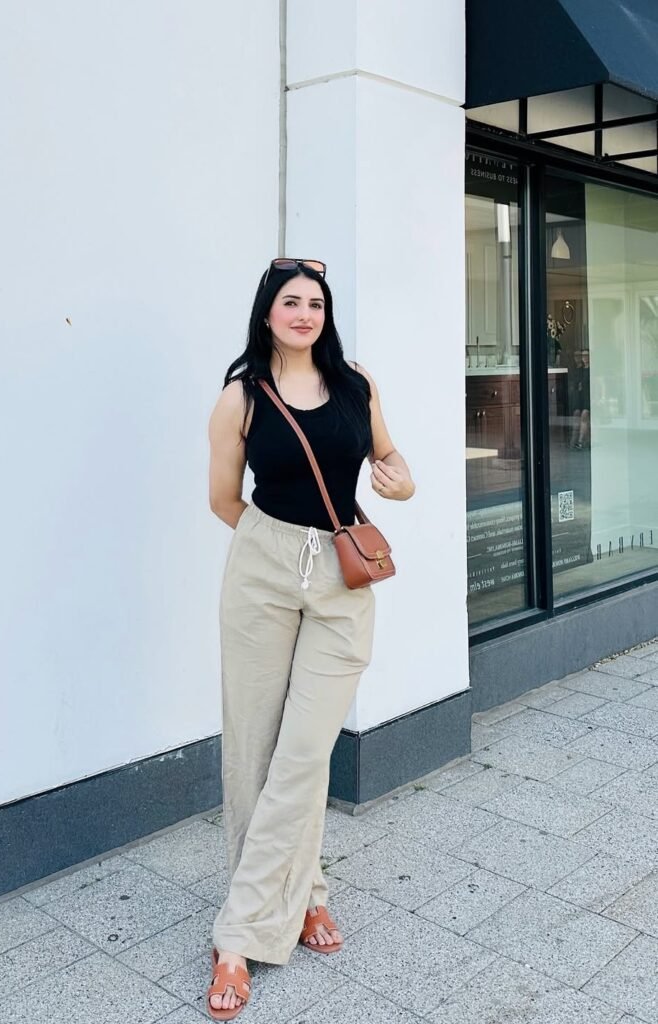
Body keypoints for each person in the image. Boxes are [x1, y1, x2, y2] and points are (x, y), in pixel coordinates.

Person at [206, 257, 415, 1019]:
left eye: (316, 302)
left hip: (342, 582)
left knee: (302, 752)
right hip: (262, 573)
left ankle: (237, 935)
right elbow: (224, 499)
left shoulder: (357, 384)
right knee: (255, 750)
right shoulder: (241, 398)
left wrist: (401, 477)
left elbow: (391, 458)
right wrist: (281, 554)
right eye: (290, 302)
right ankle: (305, 897)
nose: (304, 313)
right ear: (267, 313)